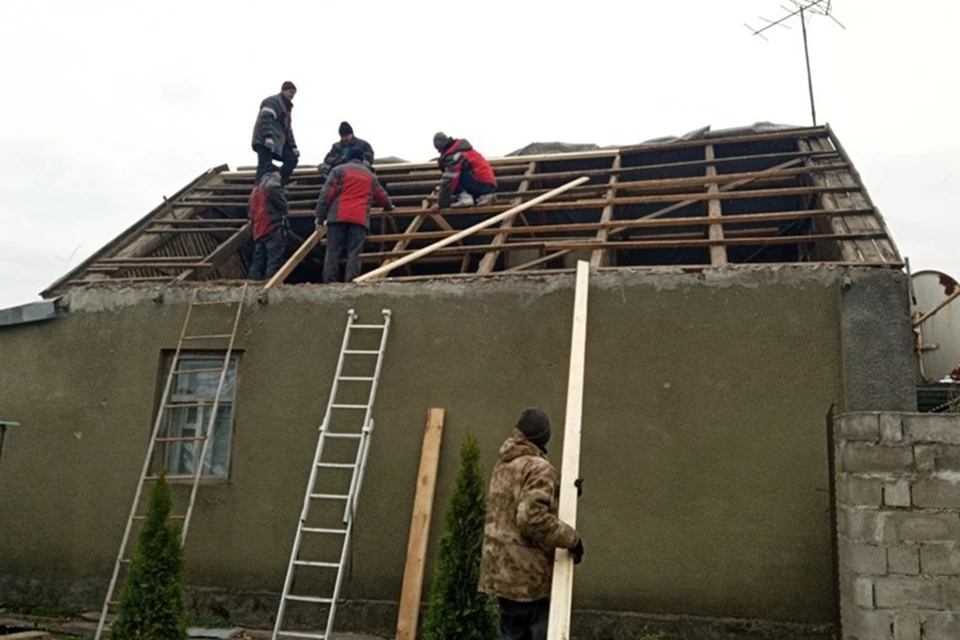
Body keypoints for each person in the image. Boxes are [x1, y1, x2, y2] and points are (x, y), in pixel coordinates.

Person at [479, 408, 584, 640]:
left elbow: (511, 508)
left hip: (502, 574)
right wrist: (572, 540)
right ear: (544, 437)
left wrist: (563, 494)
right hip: (528, 577)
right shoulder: (538, 467)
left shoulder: (505, 463)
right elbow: (531, 519)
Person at [315, 146, 394, 283]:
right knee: (355, 254)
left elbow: (326, 195)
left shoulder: (338, 170)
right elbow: (381, 196)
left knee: (333, 252)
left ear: (348, 157)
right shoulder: (370, 176)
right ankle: (352, 282)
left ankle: (329, 282)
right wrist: (389, 206)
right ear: (362, 160)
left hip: (337, 217)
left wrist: (319, 217)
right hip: (358, 220)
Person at [251, 81, 299, 185]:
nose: (292, 95)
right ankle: (259, 191)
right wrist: (267, 136)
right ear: (284, 90)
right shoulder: (272, 102)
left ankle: (278, 184)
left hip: (278, 142)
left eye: (294, 93)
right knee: (264, 166)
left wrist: (293, 146)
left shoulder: (286, 110)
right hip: (264, 139)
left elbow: (288, 130)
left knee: (292, 159)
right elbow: (266, 118)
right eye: (291, 92)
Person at [432, 132, 497, 209]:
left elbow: (449, 180)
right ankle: (485, 196)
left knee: (453, 179)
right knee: (454, 179)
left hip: (479, 183)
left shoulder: (453, 156)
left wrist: (441, 203)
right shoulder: (463, 150)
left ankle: (465, 198)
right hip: (486, 184)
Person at [247, 165, 289, 280]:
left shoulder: (255, 191)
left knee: (258, 259)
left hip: (258, 229)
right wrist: (285, 209)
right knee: (274, 258)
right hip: (271, 226)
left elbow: (250, 213)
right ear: (275, 172)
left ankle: (252, 283)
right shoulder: (272, 183)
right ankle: (271, 284)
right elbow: (280, 202)